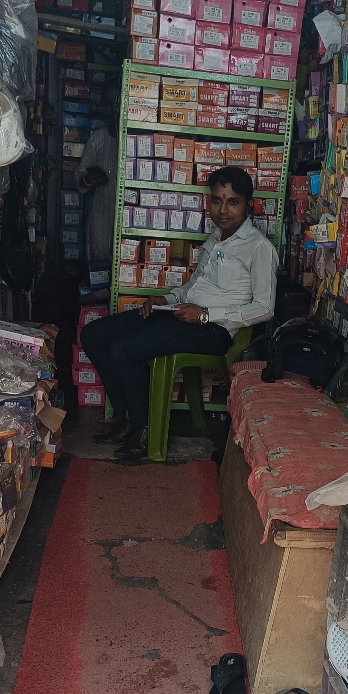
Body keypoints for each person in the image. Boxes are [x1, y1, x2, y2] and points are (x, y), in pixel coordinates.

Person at [81, 166, 278, 460]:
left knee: (124, 350)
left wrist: (205, 314)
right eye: (217, 200)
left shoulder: (259, 248)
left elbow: (264, 308)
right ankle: (125, 418)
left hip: (213, 330)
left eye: (233, 202)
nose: (223, 210)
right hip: (181, 314)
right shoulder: (216, 237)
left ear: (248, 204)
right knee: (94, 335)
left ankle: (143, 429)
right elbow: (194, 285)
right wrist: (166, 298)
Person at [76, 89, 119, 264]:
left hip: (127, 211)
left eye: (116, 104)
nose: (113, 109)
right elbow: (81, 172)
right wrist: (88, 180)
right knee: (99, 257)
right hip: (102, 207)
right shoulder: (98, 138)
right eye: (110, 105)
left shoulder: (136, 140)